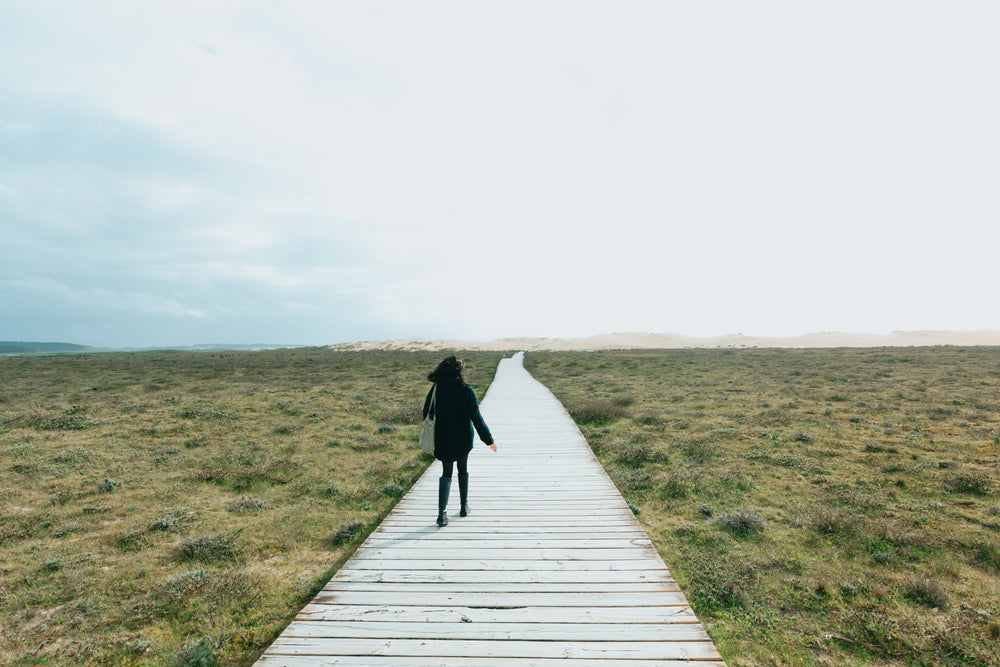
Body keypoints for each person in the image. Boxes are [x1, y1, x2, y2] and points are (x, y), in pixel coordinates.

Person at [423, 355, 498, 526]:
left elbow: (427, 412)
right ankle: (464, 507)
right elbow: (476, 418)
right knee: (462, 469)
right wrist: (489, 440)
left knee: (446, 472)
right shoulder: (466, 390)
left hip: (443, 438)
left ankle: (442, 515)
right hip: (463, 437)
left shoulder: (437, 389)